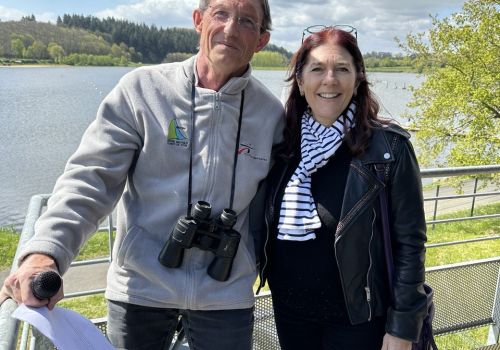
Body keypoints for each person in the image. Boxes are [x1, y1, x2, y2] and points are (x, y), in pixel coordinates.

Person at [0, 0, 284, 349]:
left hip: (225, 295)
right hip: (139, 289)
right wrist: (46, 253)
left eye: (246, 21)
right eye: (221, 14)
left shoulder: (272, 115)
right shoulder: (142, 91)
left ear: (262, 39)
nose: (230, 28)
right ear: (198, 20)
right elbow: (91, 178)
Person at [255, 26, 428, 350]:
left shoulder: (388, 149)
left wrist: (403, 326)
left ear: (359, 78)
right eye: (317, 69)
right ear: (301, 81)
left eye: (342, 69)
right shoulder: (283, 145)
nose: (329, 80)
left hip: (359, 324)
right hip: (291, 316)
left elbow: (410, 243)